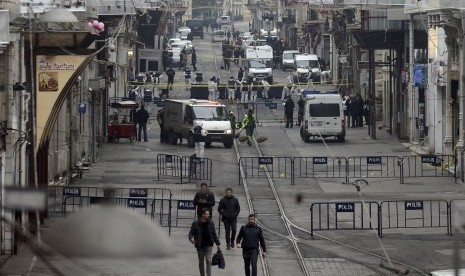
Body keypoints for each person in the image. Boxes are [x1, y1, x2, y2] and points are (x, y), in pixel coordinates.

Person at [189, 208, 221, 276]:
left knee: (208, 261)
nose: (209, 215)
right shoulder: (196, 223)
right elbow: (191, 233)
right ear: (203, 215)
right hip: (199, 245)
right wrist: (191, 238)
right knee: (201, 262)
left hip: (208, 245)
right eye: (207, 214)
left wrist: (218, 244)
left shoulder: (211, 222)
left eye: (209, 214)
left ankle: (208, 274)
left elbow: (214, 233)